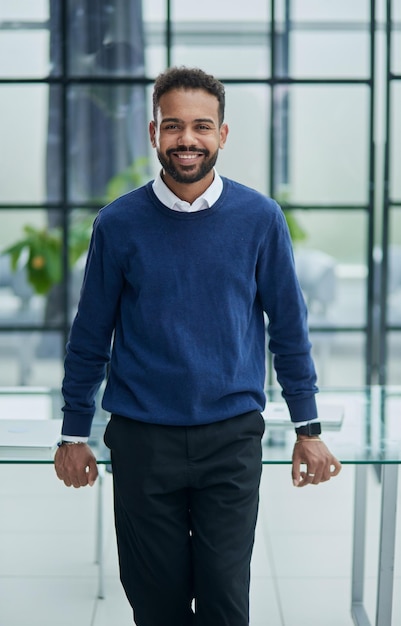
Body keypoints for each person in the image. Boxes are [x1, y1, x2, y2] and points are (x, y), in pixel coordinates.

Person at [55, 66, 342, 626]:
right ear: (153, 131)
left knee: (224, 602)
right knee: (155, 604)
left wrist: (308, 429)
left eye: (201, 126)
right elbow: (90, 337)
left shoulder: (260, 219)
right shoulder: (117, 224)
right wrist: (72, 432)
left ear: (223, 135)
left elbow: (289, 328)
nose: (187, 140)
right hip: (142, 440)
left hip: (230, 439)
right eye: (174, 126)